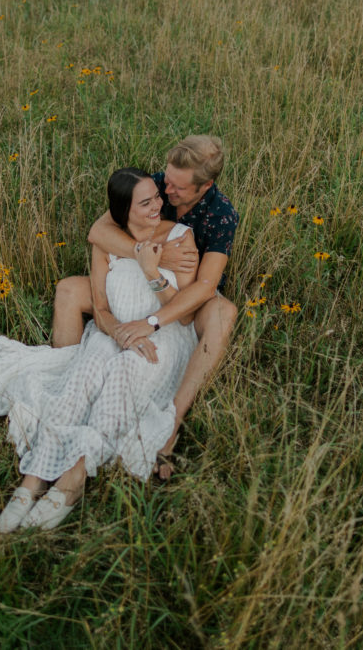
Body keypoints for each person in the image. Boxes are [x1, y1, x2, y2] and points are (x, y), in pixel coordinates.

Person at [0, 168, 199, 532]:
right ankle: (32, 479)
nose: (158, 205)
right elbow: (101, 308)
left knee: (122, 374)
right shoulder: (106, 243)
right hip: (113, 331)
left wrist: (152, 272)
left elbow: (186, 317)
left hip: (164, 336)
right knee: (85, 373)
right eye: (146, 202)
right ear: (123, 211)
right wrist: (121, 335)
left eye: (156, 196)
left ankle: (72, 479)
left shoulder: (179, 238)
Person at [52, 136, 239, 480]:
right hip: (132, 279)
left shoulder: (221, 214)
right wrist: (156, 253)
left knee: (224, 313)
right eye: (166, 179)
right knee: (68, 290)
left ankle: (171, 428)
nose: (167, 191)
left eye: (177, 187)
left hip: (184, 297)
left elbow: (206, 285)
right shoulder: (158, 186)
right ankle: (65, 383)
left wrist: (153, 321)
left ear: (205, 185)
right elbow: (99, 231)